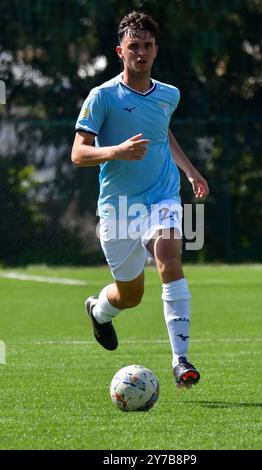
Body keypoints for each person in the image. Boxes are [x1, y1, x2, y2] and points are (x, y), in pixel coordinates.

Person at [71, 11, 209, 388]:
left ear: (156, 49)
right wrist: (116, 151)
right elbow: (78, 154)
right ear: (121, 51)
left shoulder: (169, 94)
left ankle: (181, 360)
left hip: (161, 196)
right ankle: (99, 312)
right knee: (130, 296)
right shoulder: (102, 97)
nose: (141, 52)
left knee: (168, 255)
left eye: (147, 46)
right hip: (117, 209)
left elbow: (163, 134)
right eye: (134, 46)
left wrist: (189, 170)